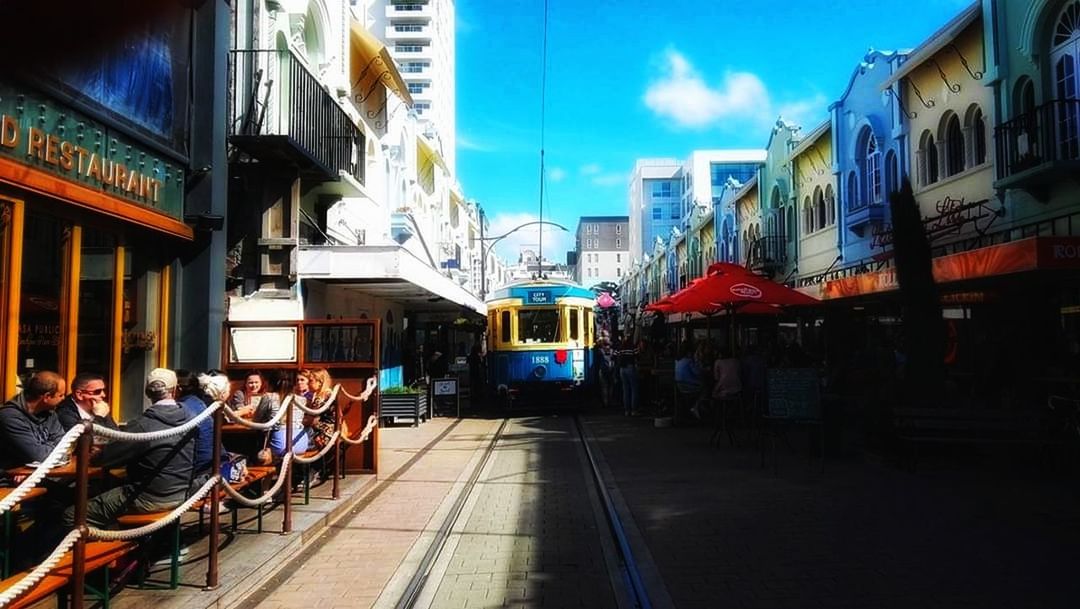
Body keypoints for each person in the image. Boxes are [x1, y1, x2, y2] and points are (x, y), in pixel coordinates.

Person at [66, 368, 196, 529]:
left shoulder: (142, 425)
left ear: (148, 393)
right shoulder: (190, 417)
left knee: (71, 516)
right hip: (181, 492)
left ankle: (99, 551)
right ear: (176, 390)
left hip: (150, 497)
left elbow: (102, 458)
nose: (103, 396)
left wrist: (100, 418)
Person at [0, 371, 67, 468]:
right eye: (60, 395)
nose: (63, 399)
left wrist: (50, 450)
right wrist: (55, 449)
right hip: (10, 476)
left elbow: (66, 446)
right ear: (47, 397)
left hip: (41, 471)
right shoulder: (10, 417)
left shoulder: (49, 413)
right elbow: (39, 456)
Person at [254, 370, 309, 458]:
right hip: (301, 443)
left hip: (280, 444)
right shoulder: (302, 399)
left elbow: (256, 420)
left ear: (271, 383)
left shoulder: (268, 397)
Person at [615, 337, 640, 416]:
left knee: (625, 390)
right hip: (630, 367)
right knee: (634, 389)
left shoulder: (620, 347)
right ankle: (634, 410)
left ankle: (627, 410)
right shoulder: (632, 347)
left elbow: (615, 355)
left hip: (622, 369)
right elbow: (637, 354)